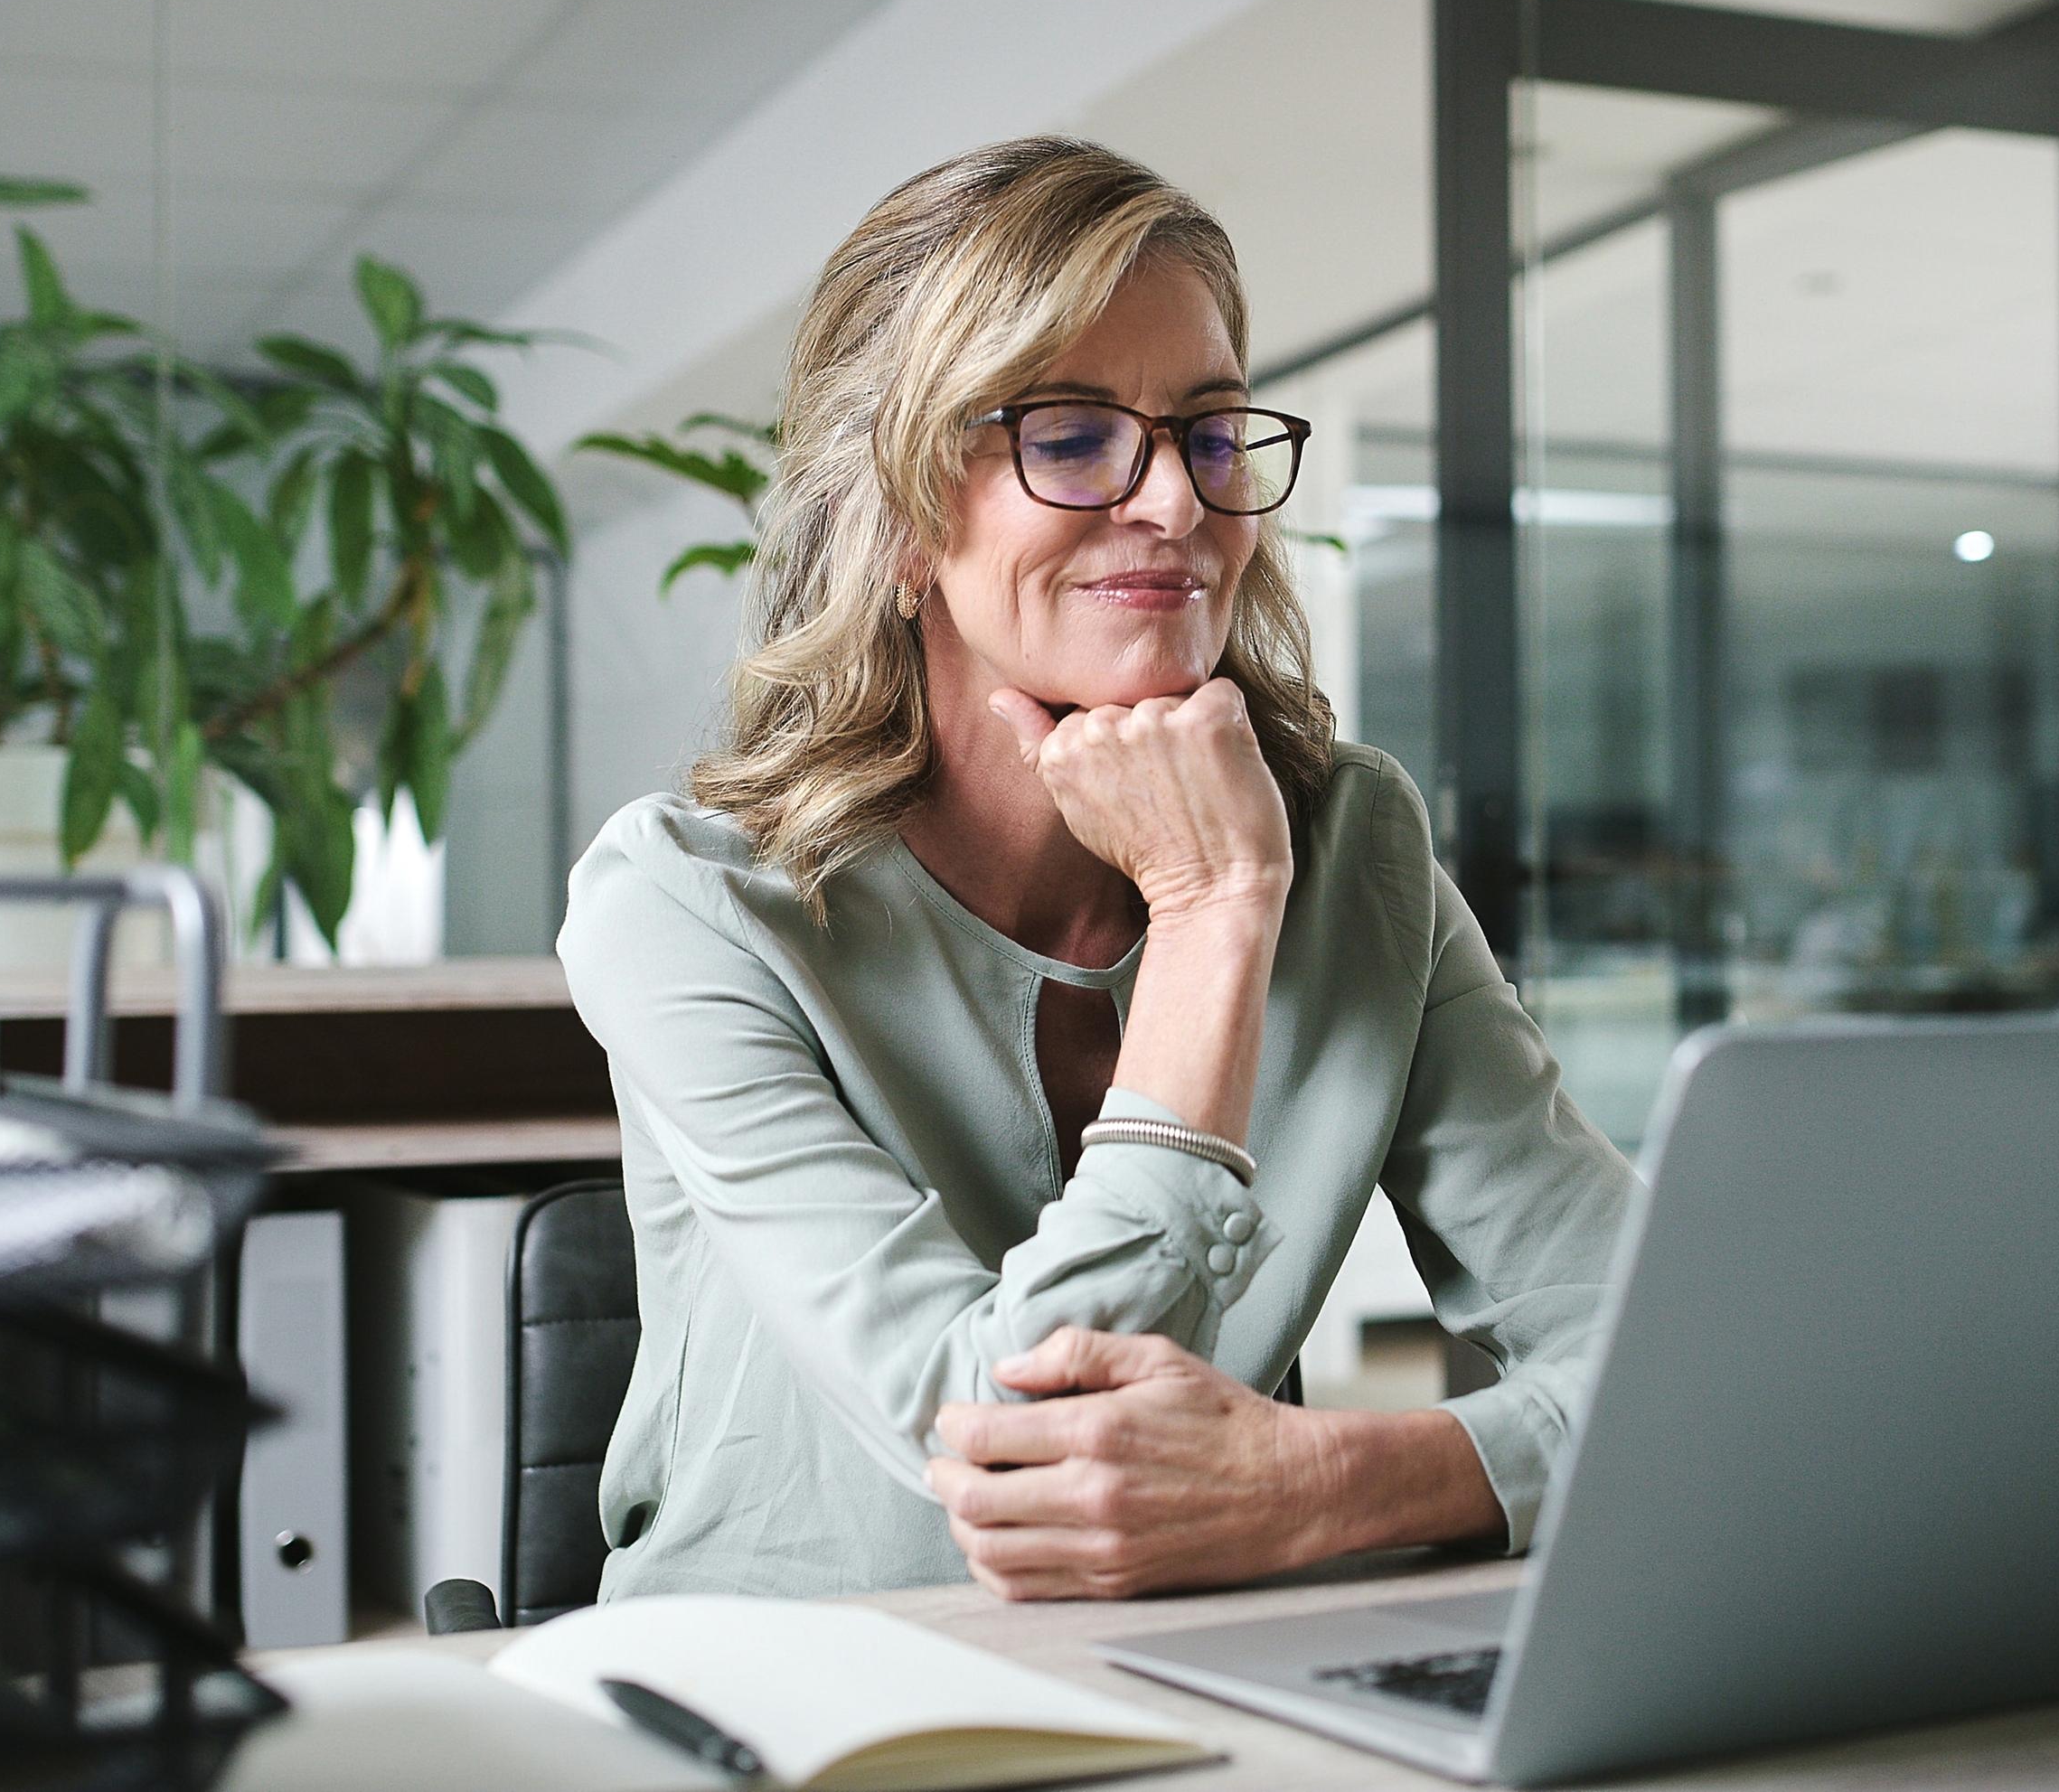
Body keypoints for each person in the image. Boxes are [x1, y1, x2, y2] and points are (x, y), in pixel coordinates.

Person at [559, 137, 1639, 1602]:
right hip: (781, 1705)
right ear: (896, 514)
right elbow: (1020, 1460)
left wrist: (1321, 1486)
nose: (1180, 506)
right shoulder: (686, 908)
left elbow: (1666, 1352)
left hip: (1210, 1683)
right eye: (1069, 437)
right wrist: (1208, 914)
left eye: (1207, 431)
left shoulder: (1354, 848)